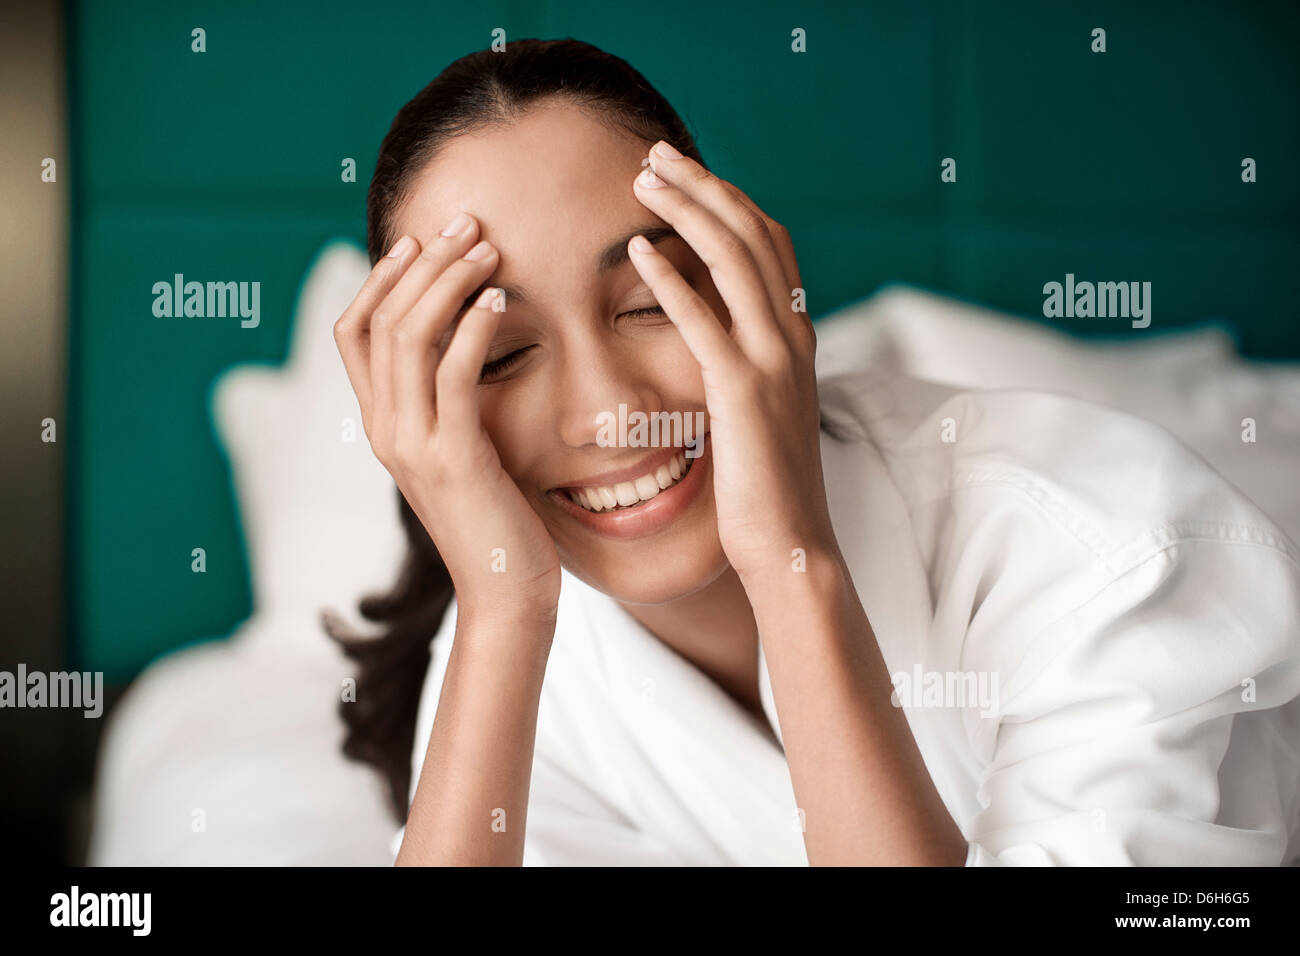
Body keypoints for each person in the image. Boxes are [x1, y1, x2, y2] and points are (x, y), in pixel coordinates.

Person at [327, 38, 1300, 866]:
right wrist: (498, 607)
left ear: (747, 276)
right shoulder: (522, 647)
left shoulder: (1110, 552)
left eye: (648, 301)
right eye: (501, 354)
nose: (613, 411)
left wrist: (789, 560)